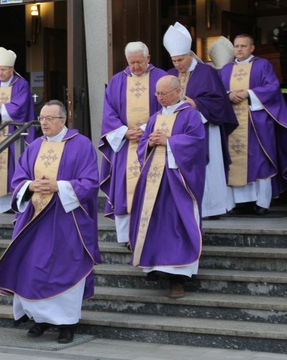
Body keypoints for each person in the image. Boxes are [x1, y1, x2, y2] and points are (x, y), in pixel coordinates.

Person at [0, 100, 100, 344]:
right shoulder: (34, 146)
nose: (44, 123)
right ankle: (39, 319)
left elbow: (91, 182)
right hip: (35, 220)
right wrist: (30, 186)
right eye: (41, 118)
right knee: (32, 266)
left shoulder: (81, 145)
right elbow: (19, 179)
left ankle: (67, 324)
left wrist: (58, 186)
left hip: (66, 219)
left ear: (63, 120)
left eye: (49, 118)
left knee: (66, 268)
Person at [129, 76, 207, 299]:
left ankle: (178, 278)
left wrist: (170, 141)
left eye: (163, 93)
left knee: (176, 224)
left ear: (177, 91)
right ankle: (154, 266)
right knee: (154, 222)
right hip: (154, 181)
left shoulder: (190, 115)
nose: (160, 98)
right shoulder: (155, 117)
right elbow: (142, 145)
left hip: (178, 181)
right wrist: (150, 142)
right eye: (157, 94)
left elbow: (197, 144)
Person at [163, 22, 237, 219]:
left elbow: (219, 102)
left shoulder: (207, 73)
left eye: (180, 60)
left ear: (190, 56)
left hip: (205, 129)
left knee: (209, 167)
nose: (177, 64)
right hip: (178, 131)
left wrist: (195, 104)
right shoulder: (170, 75)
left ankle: (212, 208)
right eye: (174, 60)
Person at [100, 41, 167, 244]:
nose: (135, 67)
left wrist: (146, 130)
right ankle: (126, 236)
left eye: (139, 62)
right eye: (131, 62)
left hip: (154, 144)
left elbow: (168, 109)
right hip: (126, 145)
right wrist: (124, 132)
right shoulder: (117, 81)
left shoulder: (161, 78)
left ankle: (151, 233)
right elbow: (108, 111)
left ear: (148, 58)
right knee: (123, 189)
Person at [220, 34, 287, 215]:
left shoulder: (263, 65)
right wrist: (228, 95)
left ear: (252, 48)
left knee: (260, 160)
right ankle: (239, 202)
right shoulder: (226, 69)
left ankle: (261, 202)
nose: (239, 49)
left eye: (243, 46)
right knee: (233, 162)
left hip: (256, 124)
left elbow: (273, 87)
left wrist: (249, 93)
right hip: (233, 125)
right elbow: (217, 92)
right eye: (236, 46)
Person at [0, 47, 38, 213]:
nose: (0, 73)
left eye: (3, 69)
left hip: (15, 134)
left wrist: (1, 107)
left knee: (16, 165)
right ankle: (2, 206)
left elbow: (20, 108)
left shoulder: (21, 84)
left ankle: (18, 202)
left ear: (12, 69)